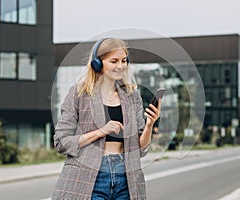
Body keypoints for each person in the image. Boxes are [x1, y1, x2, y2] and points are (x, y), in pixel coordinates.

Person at [52, 38, 161, 200]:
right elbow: (61, 142)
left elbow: (140, 150)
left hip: (126, 177)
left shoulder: (132, 96)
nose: (120, 66)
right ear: (97, 63)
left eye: (124, 61)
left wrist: (149, 125)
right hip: (89, 176)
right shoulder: (79, 94)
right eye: (114, 61)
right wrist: (100, 132)